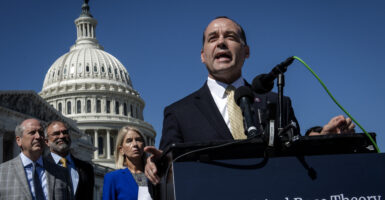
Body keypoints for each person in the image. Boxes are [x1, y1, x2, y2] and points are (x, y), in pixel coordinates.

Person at [144, 16, 355, 185]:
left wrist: (322, 141)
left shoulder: (278, 101)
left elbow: (297, 160)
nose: (221, 43)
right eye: (212, 38)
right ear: (203, 55)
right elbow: (165, 175)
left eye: (230, 37)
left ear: (246, 52)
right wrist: (157, 166)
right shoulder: (179, 112)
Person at [0, 118, 72, 200]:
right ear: (19, 140)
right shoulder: (2, 172)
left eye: (41, 133)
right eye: (32, 132)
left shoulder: (61, 173)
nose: (38, 137)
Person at [44, 121, 94, 200]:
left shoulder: (86, 169)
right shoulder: (41, 166)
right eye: (56, 134)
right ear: (47, 142)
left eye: (65, 132)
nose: (62, 136)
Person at [102, 126, 152, 200]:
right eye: (129, 141)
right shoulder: (113, 178)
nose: (135, 144)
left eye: (138, 140)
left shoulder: (154, 176)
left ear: (144, 146)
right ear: (121, 150)